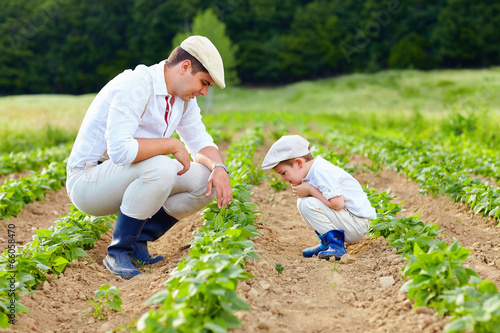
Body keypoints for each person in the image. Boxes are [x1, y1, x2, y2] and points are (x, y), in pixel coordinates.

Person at [66, 35, 232, 279]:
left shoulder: (183, 100)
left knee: (207, 181)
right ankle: (118, 250)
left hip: (127, 175)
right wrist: (172, 144)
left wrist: (219, 167)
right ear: (185, 67)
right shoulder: (135, 84)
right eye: (204, 83)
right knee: (161, 167)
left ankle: (137, 241)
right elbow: (120, 151)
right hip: (89, 181)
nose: (204, 92)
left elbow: (200, 142)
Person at [261, 135, 376, 260]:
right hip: (349, 221)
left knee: (307, 203)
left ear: (299, 163)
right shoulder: (314, 170)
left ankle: (336, 245)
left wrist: (310, 190)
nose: (283, 178)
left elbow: (338, 204)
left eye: (283, 173)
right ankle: (327, 243)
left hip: (357, 224)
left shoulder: (322, 171)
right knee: (303, 202)